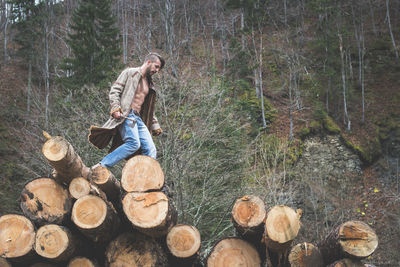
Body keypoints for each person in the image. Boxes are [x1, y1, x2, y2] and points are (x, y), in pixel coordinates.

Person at [88, 53, 165, 168]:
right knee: (133, 144)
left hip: (138, 119)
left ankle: (145, 178)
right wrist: (115, 108)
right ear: (148, 62)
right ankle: (101, 165)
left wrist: (155, 124)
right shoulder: (130, 73)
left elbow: (148, 108)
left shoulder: (149, 84)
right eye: (156, 66)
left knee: (151, 149)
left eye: (158, 68)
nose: (157, 70)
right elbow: (115, 91)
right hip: (127, 116)